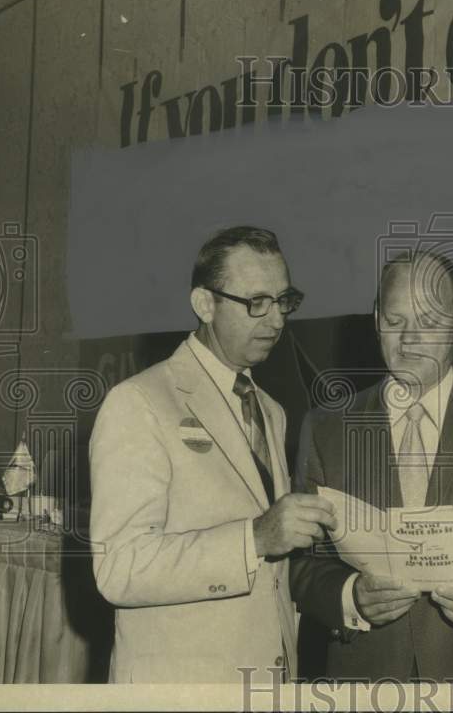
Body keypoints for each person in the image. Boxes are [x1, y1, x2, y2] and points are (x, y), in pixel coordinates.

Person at [89, 226, 336, 683]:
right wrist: (255, 538)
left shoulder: (272, 410)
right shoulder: (139, 402)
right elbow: (118, 568)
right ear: (205, 304)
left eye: (283, 301)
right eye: (256, 303)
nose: (277, 321)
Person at [288, 250, 453, 681]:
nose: (408, 340)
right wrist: (349, 596)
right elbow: (301, 562)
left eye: (428, 322)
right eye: (395, 322)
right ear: (376, 321)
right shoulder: (324, 428)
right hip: (364, 681)